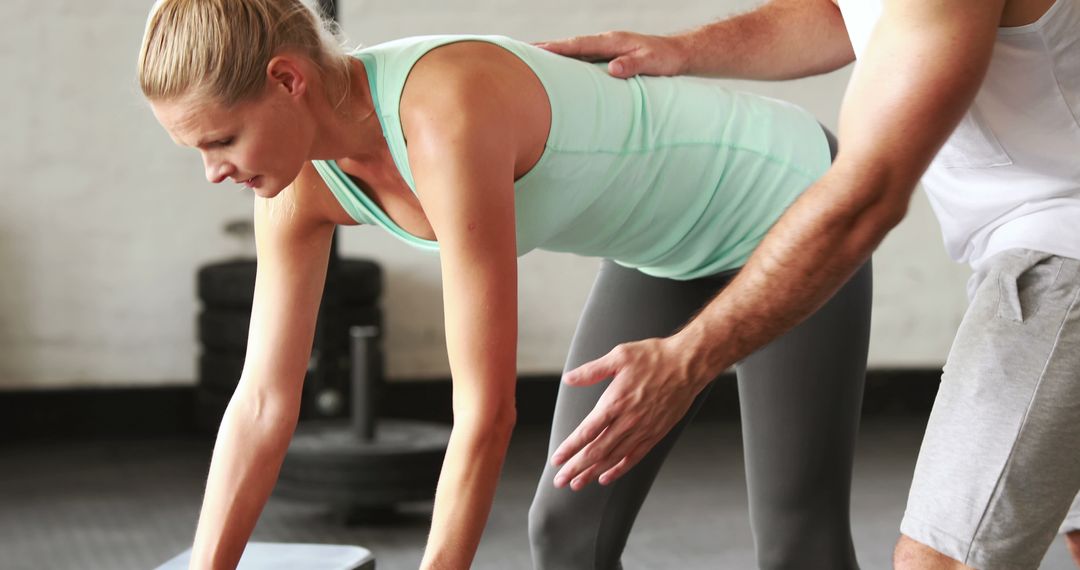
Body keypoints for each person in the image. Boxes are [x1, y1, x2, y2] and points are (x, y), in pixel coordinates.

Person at [137, 0, 871, 568]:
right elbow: (264, 401)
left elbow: (484, 412)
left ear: (288, 80)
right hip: (664, 253)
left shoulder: (444, 114)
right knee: (566, 530)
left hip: (788, 202)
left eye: (220, 140)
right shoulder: (293, 191)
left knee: (794, 537)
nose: (213, 173)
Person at [538, 0, 1080, 568]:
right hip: (1030, 236)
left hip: (1062, 247)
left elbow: (865, 200)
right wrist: (684, 49)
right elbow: (842, 13)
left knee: (943, 559)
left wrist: (689, 359)